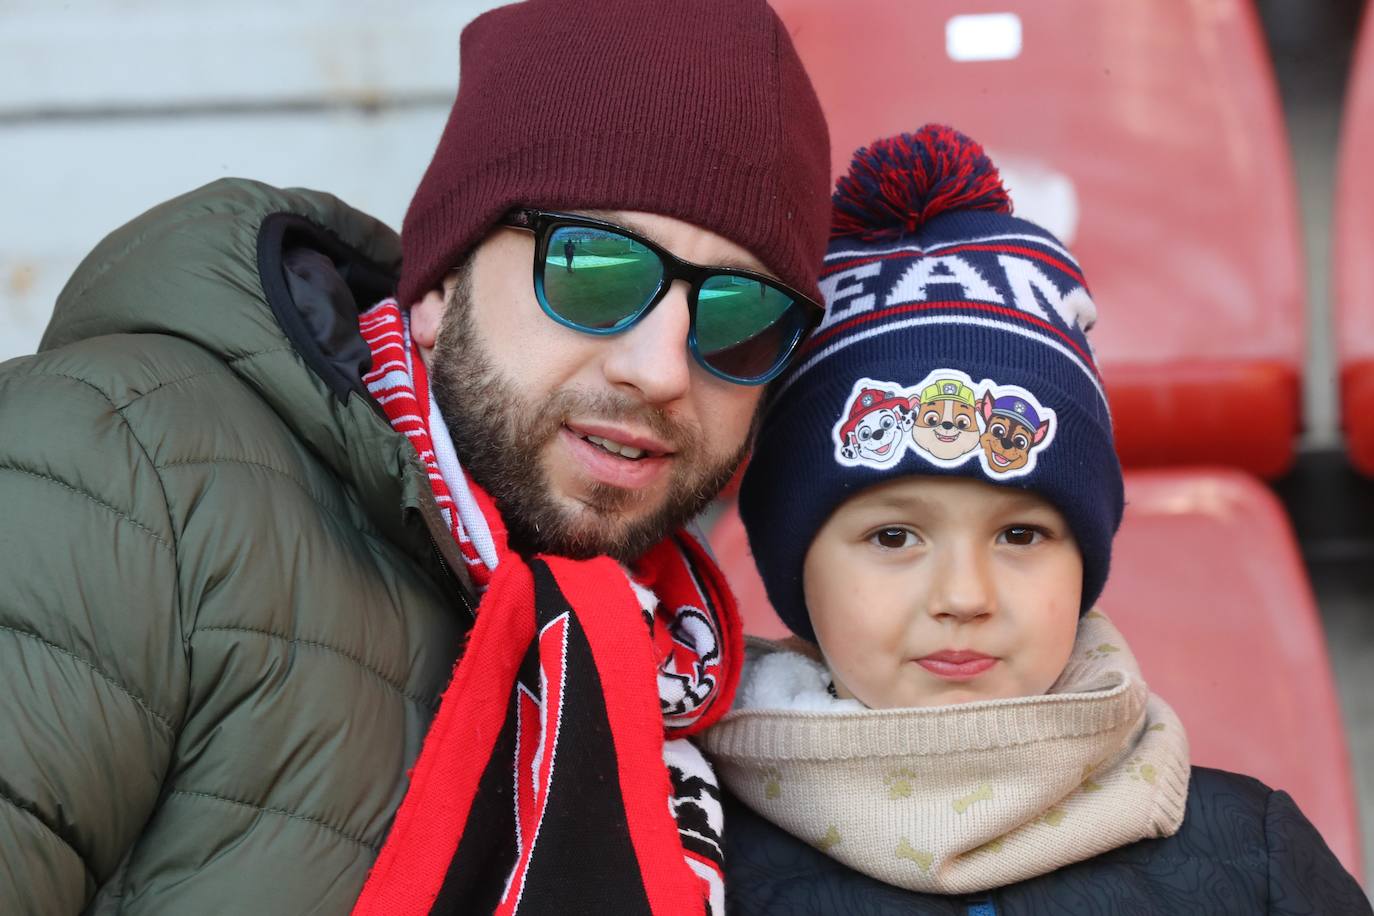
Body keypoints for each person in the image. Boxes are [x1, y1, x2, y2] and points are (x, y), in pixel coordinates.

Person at [0, 1, 832, 913]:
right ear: (441, 279)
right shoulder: (121, 466)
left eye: (741, 320)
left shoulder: (697, 685)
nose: (661, 371)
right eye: (596, 271)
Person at [698, 125, 1372, 914]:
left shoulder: (1254, 860)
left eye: (1020, 535)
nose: (964, 594)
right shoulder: (686, 861)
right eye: (893, 536)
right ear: (794, 563)